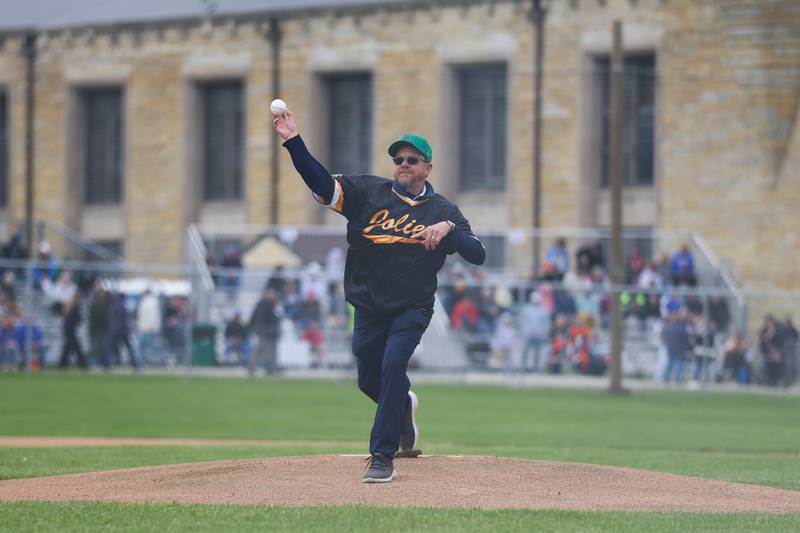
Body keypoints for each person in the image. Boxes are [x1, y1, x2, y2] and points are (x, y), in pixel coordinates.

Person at [273, 106, 485, 483]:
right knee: (369, 380)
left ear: (427, 168)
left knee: (392, 368)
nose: (403, 164)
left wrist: (449, 229)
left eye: (412, 159)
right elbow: (321, 184)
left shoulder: (443, 210)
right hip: (368, 306)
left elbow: (478, 254)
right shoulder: (367, 193)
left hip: (412, 307)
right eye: (398, 159)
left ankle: (382, 456)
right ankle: (403, 407)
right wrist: (293, 142)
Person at [248, 288, 281, 376]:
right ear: (267, 294)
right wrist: (261, 329)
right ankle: (252, 369)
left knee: (270, 351)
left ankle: (271, 369)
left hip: (269, 331)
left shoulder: (268, 303)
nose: (274, 296)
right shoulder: (265, 303)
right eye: (272, 294)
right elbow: (261, 318)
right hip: (265, 331)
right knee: (261, 350)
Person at [58, 292, 87, 369]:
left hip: (69, 328)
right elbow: (76, 318)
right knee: (75, 347)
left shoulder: (70, 305)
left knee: (69, 347)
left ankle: (63, 364)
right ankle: (83, 364)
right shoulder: (74, 306)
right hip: (70, 329)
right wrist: (80, 320)